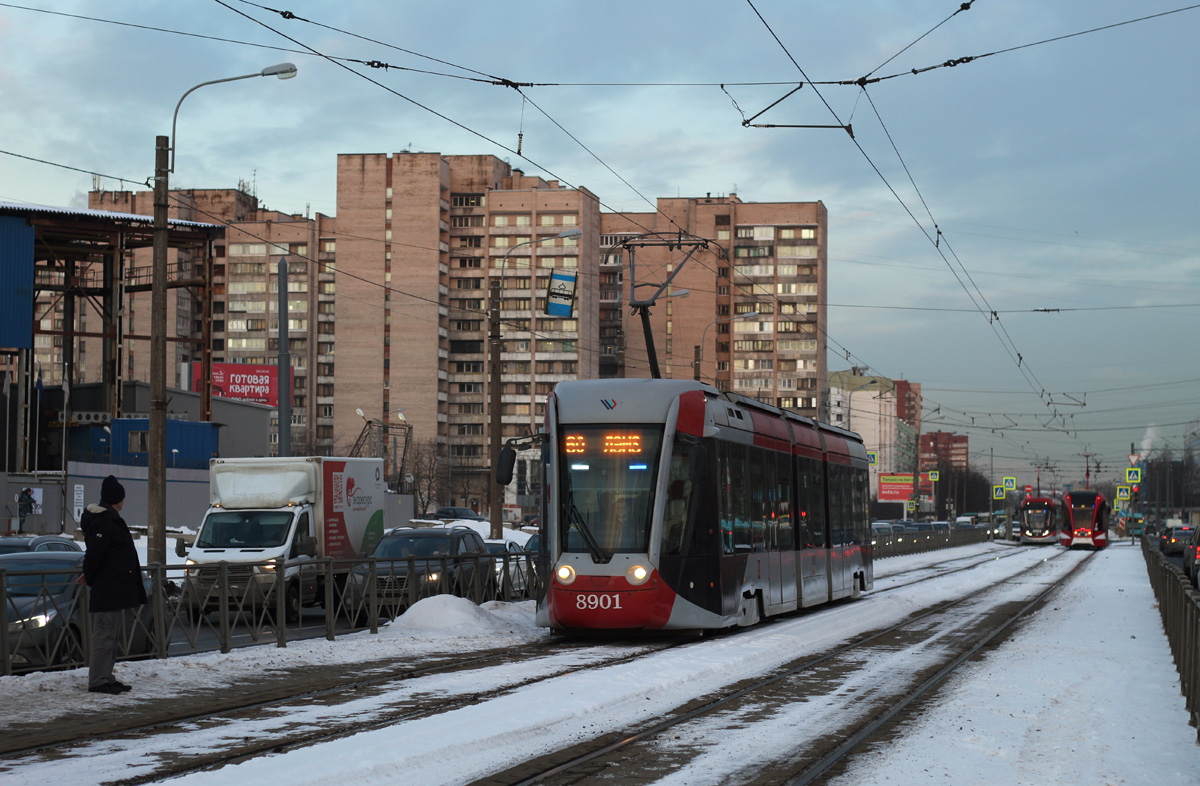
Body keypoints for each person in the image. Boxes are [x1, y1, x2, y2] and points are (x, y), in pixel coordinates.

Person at [79, 476, 146, 695]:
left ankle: (106, 676)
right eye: (121, 496)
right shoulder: (103, 522)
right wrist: (89, 575)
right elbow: (95, 554)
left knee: (112, 635)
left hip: (113, 587)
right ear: (116, 498)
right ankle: (98, 680)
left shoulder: (109, 520)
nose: (124, 500)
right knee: (104, 634)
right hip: (107, 587)